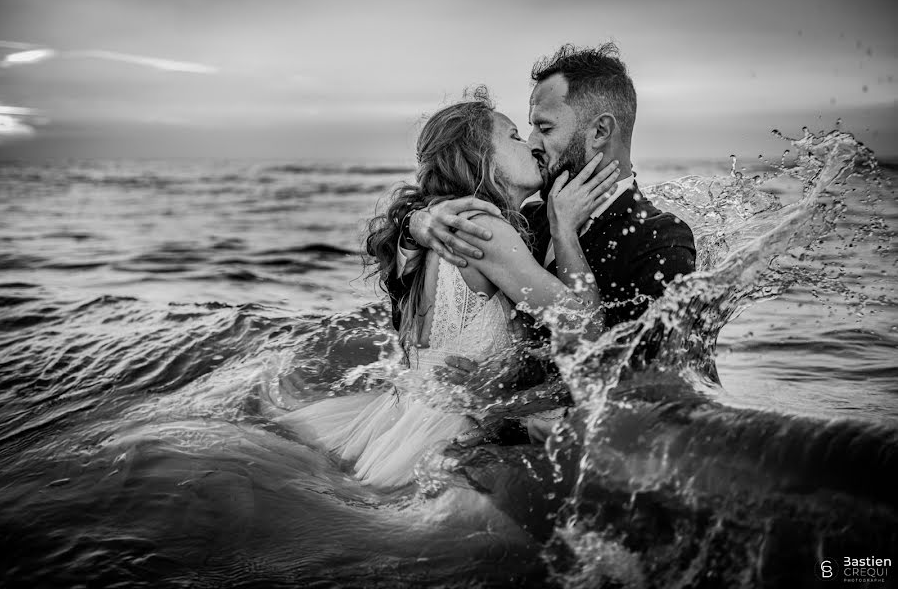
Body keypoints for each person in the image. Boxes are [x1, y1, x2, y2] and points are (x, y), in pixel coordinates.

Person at [274, 91, 621, 491]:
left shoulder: (442, 225)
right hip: (447, 433)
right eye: (513, 136)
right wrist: (564, 228)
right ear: (482, 158)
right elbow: (584, 327)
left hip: (408, 417)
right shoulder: (483, 231)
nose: (530, 144)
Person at [393, 43, 697, 392]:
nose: (533, 143)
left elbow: (652, 383)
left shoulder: (658, 240)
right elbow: (410, 313)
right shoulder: (522, 221)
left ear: (599, 132)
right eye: (524, 132)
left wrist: (506, 389)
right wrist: (416, 224)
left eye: (545, 129)